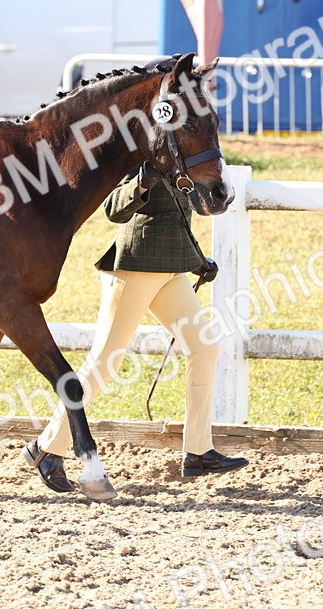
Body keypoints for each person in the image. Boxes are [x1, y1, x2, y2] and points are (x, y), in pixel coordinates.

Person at [22, 162, 249, 493]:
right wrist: (141, 182)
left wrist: (198, 259)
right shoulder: (140, 154)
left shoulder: (186, 156)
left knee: (204, 347)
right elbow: (113, 209)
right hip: (135, 266)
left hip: (171, 269)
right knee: (105, 362)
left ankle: (198, 451)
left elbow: (182, 215)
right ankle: (47, 448)